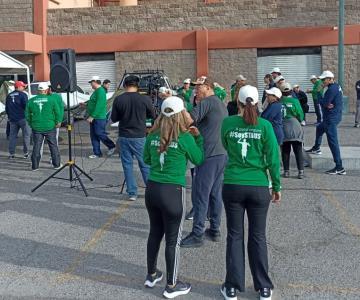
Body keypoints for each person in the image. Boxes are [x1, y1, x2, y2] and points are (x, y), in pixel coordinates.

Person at [220, 85, 281, 300]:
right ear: (257, 102)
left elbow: (226, 145)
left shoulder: (228, 123)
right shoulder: (264, 126)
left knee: (234, 236)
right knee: (258, 237)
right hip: (258, 186)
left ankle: (232, 286)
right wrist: (276, 185)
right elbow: (273, 158)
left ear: (238, 102)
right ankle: (263, 286)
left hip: (233, 184)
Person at [143, 96, 204, 299]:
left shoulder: (152, 135)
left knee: (154, 233)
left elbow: (146, 159)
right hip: (173, 191)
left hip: (152, 188)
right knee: (173, 240)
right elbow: (198, 158)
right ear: (180, 114)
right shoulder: (185, 137)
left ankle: (151, 274)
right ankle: (171, 284)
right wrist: (198, 137)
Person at [181, 76, 228, 248]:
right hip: (221, 154)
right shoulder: (219, 103)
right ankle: (214, 229)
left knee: (200, 194)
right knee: (215, 193)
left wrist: (178, 106)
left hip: (208, 155)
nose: (195, 91)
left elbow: (188, 120)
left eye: (198, 88)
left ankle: (197, 233)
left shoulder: (207, 102)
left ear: (207, 87)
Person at [111, 75, 155, 201]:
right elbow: (152, 115)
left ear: (125, 85)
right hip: (140, 135)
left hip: (124, 135)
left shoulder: (119, 99)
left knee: (127, 165)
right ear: (138, 85)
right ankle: (151, 191)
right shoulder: (145, 99)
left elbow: (114, 118)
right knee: (145, 164)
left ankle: (132, 192)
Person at [306, 71, 346, 175]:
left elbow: (323, 103)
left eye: (324, 79)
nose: (322, 81)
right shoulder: (336, 86)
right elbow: (327, 103)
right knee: (319, 128)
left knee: (333, 142)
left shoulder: (331, 89)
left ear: (329, 79)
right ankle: (316, 148)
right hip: (333, 116)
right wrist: (326, 103)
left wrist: (319, 94)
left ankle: (339, 167)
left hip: (331, 118)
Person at [25, 82, 63, 171]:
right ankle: (56, 165)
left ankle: (34, 166)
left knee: (36, 146)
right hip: (50, 126)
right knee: (53, 146)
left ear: (38, 90)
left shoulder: (31, 100)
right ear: (46, 90)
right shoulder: (51, 100)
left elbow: (27, 114)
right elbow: (58, 112)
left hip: (36, 127)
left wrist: (31, 123)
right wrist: (58, 122)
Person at [85, 76, 116, 159]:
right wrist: (85, 104)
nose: (90, 85)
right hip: (95, 117)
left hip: (99, 117)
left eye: (91, 83)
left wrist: (92, 116)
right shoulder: (96, 91)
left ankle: (112, 146)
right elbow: (94, 102)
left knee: (99, 133)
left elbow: (99, 105)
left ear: (95, 82)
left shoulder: (100, 91)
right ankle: (97, 153)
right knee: (94, 135)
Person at [279, 82, 305, 179]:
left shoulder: (279, 101)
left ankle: (286, 171)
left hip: (283, 126)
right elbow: (300, 115)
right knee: (298, 150)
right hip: (294, 125)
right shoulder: (295, 101)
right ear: (290, 91)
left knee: (285, 150)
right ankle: (300, 172)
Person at [5, 80, 31, 159]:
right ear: (19, 87)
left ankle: (11, 154)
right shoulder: (23, 95)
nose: (23, 88)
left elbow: (7, 108)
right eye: (23, 86)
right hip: (23, 118)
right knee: (26, 136)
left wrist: (9, 117)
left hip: (12, 119)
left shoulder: (9, 95)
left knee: (12, 136)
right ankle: (26, 153)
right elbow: (27, 107)